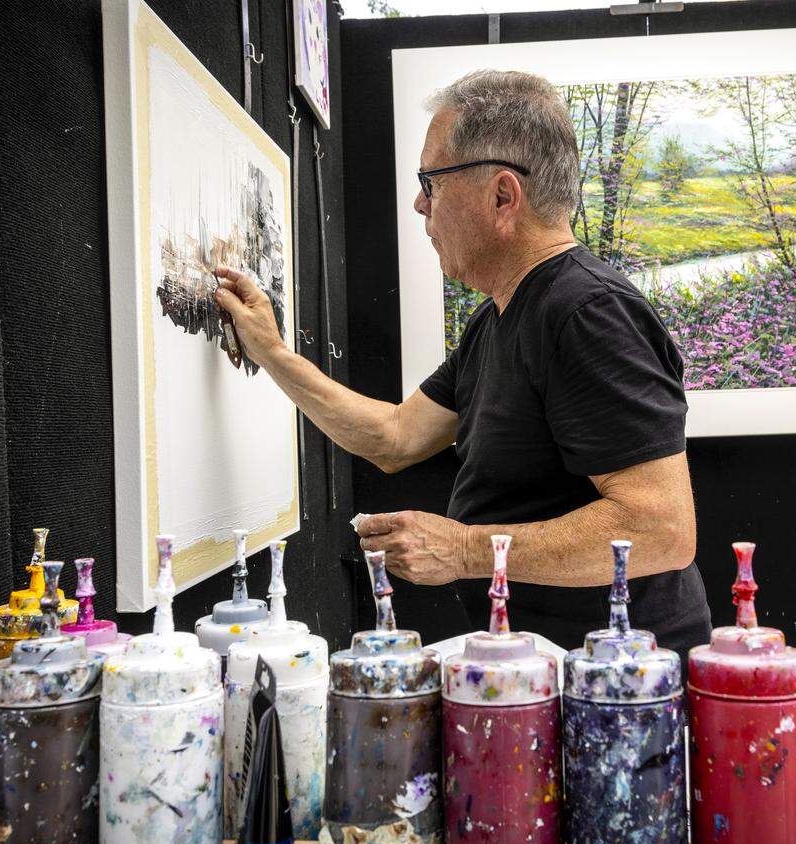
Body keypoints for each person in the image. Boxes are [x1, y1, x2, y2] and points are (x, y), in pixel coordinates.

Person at [215, 70, 710, 659]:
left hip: (616, 684)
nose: (420, 202)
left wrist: (466, 550)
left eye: (432, 181)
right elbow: (395, 437)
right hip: (546, 666)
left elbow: (662, 530)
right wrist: (272, 353)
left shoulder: (587, 313)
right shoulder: (499, 316)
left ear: (503, 196)